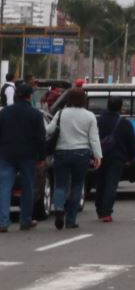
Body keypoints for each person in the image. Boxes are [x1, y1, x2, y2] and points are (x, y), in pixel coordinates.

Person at [46, 87, 102, 230]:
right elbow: (94, 138)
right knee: (77, 185)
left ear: (68, 99)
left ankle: (58, 208)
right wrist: (98, 156)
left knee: (60, 184)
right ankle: (71, 220)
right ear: (84, 100)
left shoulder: (61, 113)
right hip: (82, 153)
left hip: (62, 153)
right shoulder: (90, 116)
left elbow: (49, 130)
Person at [0, 79, 47, 231]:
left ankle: (3, 222)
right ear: (29, 96)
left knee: (4, 188)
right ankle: (25, 220)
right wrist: (41, 157)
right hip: (28, 156)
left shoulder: (4, 112)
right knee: (27, 187)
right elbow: (41, 137)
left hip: (6, 154)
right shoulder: (35, 114)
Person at [92, 96, 135, 222]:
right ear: (120, 107)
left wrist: (92, 155)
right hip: (117, 158)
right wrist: (130, 157)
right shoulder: (125, 123)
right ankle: (106, 212)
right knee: (111, 184)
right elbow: (132, 143)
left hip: (99, 155)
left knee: (100, 183)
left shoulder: (98, 121)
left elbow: (91, 138)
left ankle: (99, 209)